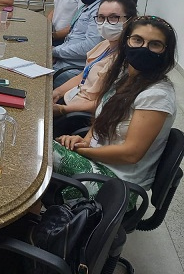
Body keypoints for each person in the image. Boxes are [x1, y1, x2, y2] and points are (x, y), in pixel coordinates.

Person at [54, 15, 177, 201]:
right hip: (97, 163)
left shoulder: (157, 95)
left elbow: (131, 154)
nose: (144, 48)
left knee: (38, 155)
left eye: (155, 44)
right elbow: (103, 116)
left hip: (116, 185)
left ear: (165, 51)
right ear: (126, 41)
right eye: (137, 40)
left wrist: (82, 151)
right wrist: (84, 141)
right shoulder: (124, 76)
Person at [52, 0, 138, 137]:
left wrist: (63, 109)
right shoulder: (105, 44)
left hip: (80, 115)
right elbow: (83, 76)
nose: (105, 23)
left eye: (113, 17)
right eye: (101, 17)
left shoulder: (126, 61)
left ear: (130, 20)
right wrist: (57, 92)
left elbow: (105, 102)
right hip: (70, 100)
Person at [52, 0, 113, 88]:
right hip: (64, 61)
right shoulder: (87, 5)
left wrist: (55, 51)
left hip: (73, 70)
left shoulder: (101, 11)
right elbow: (73, 36)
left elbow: (90, 47)